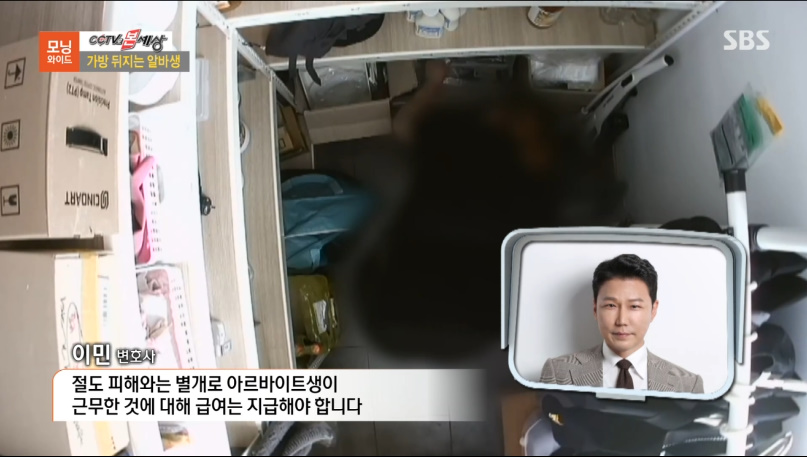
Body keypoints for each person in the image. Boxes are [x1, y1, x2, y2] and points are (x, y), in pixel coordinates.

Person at [540, 254, 704, 393]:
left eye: (634, 306)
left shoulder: (687, 385)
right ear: (595, 309)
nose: (622, 321)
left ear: (653, 310)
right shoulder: (558, 373)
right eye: (611, 305)